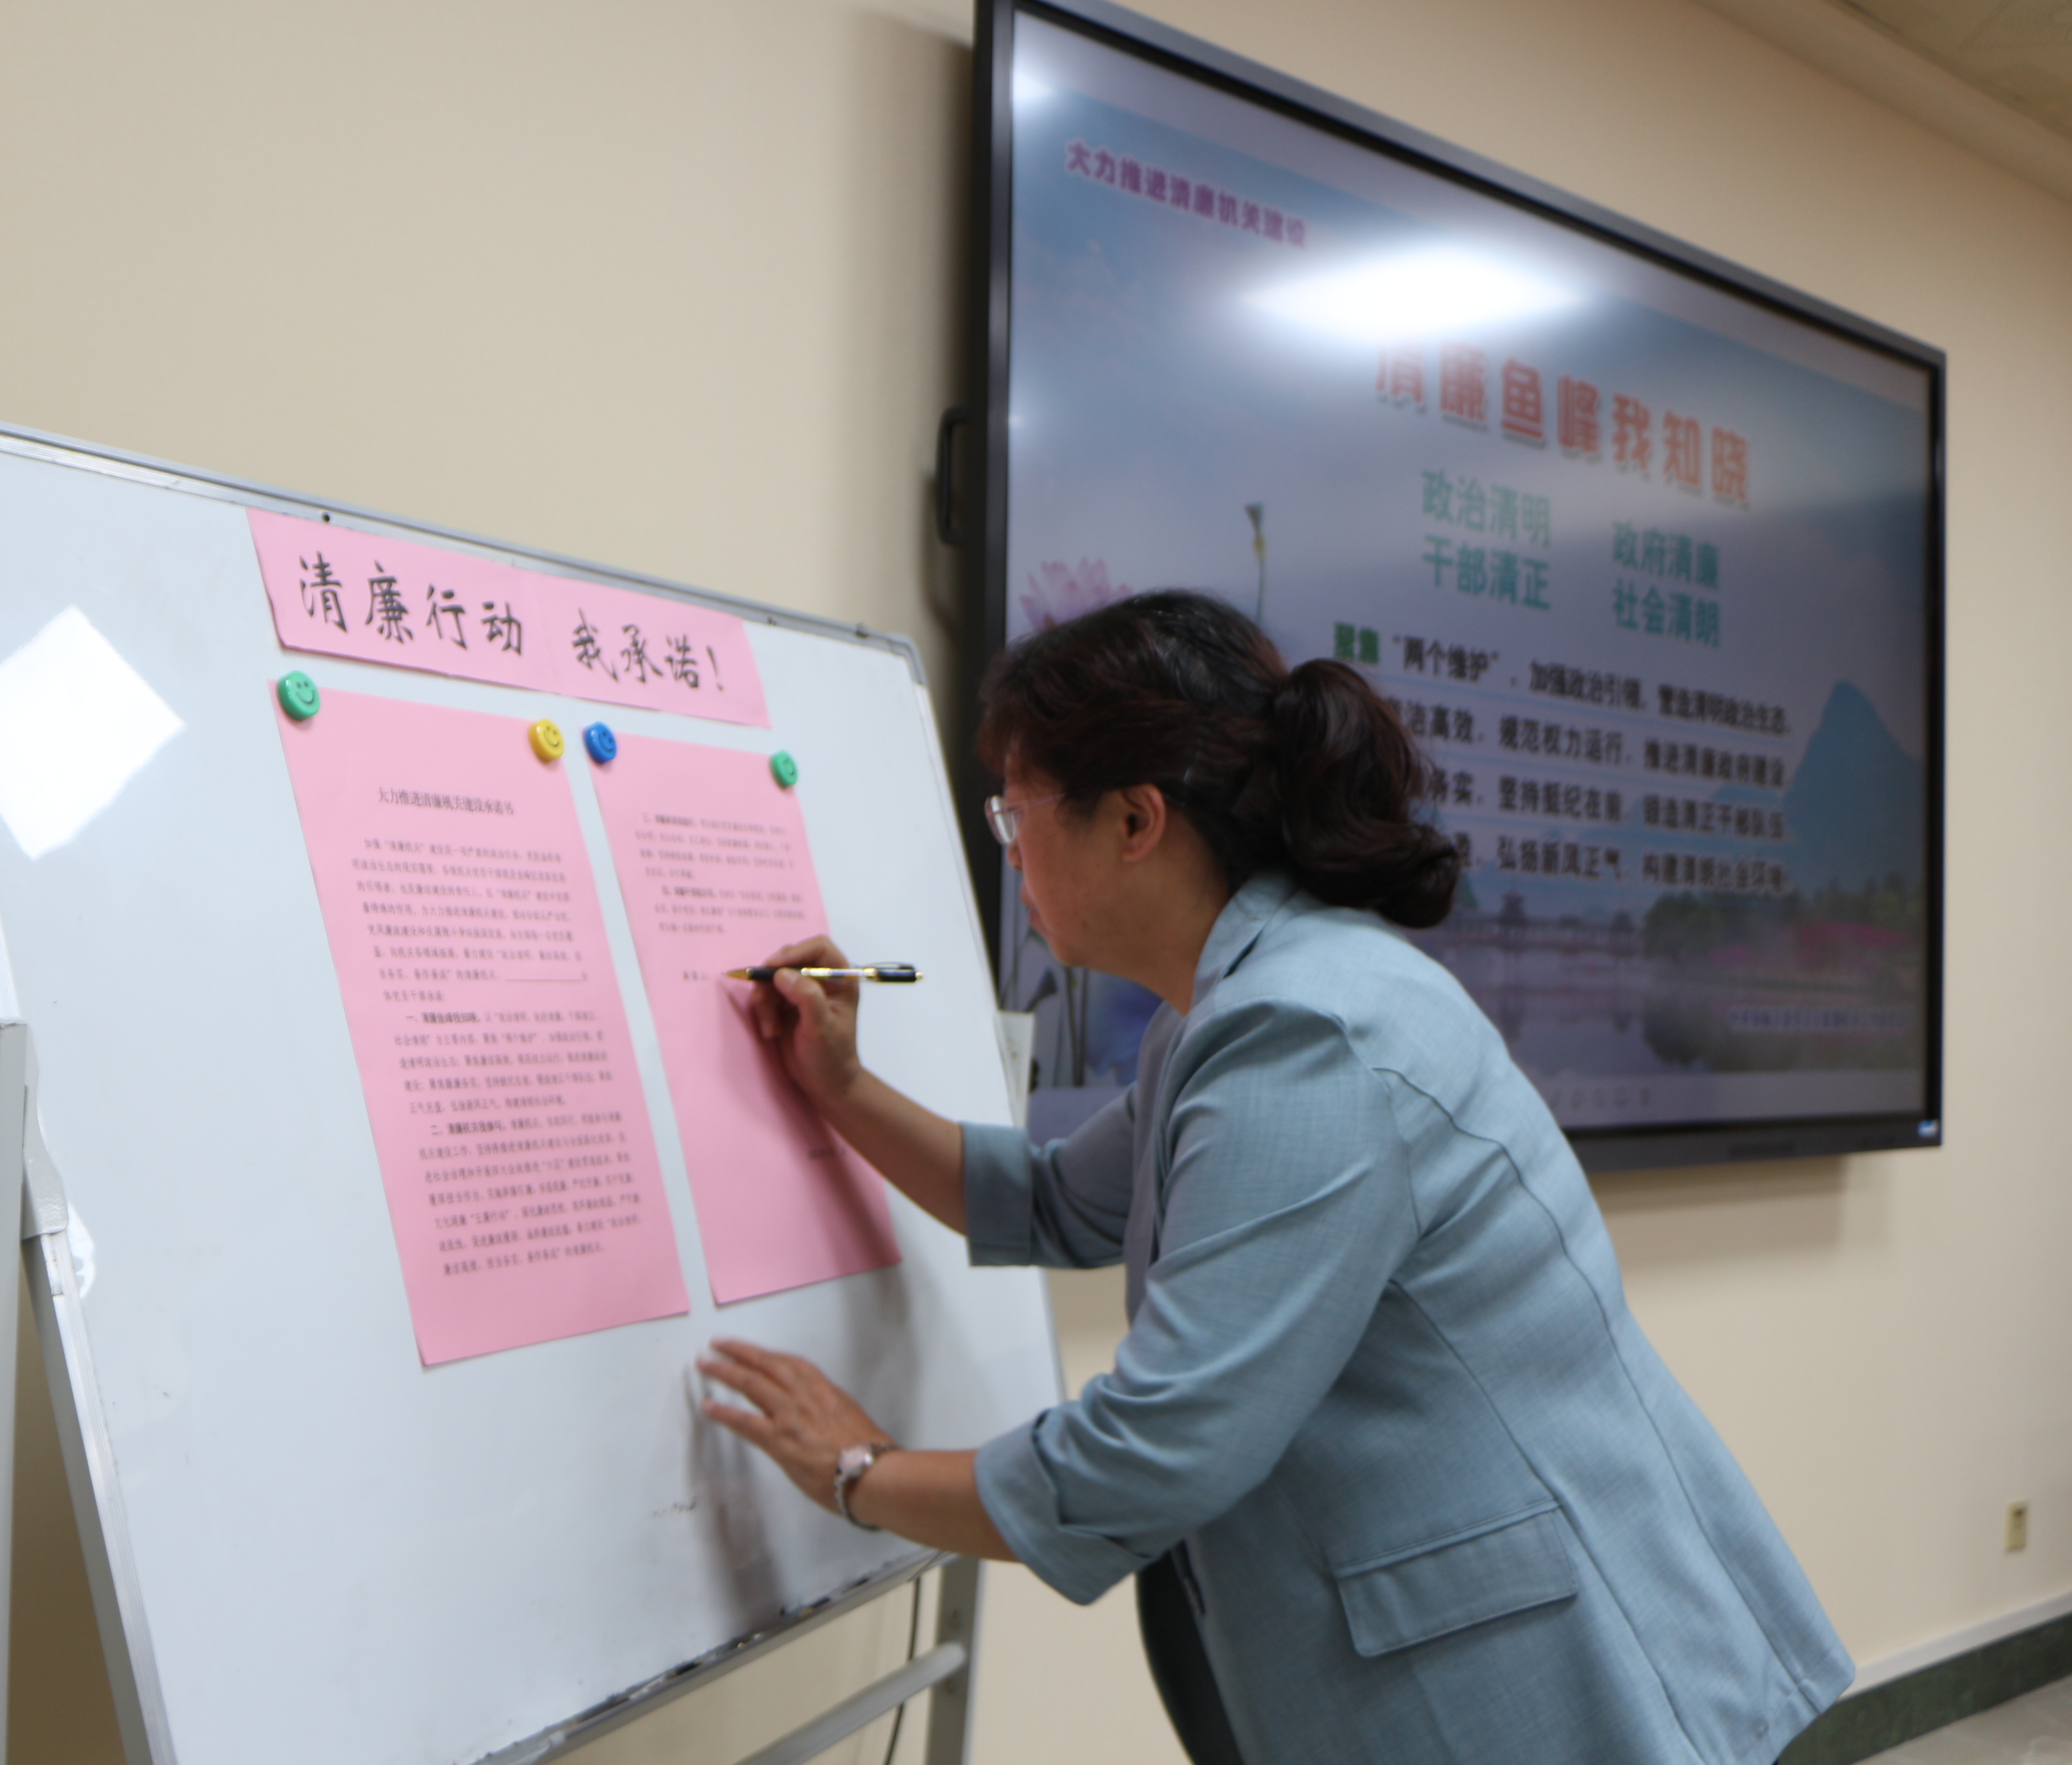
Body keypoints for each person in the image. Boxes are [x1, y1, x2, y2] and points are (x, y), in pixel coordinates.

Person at [698, 591, 1850, 1764]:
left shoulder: (1303, 1038)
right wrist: (842, 1087)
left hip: (1533, 1668)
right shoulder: (1235, 1006)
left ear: (1135, 820)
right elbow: (1052, 1203)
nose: (1014, 852)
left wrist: (860, 1472)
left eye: (1019, 812)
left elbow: (1153, 1453)